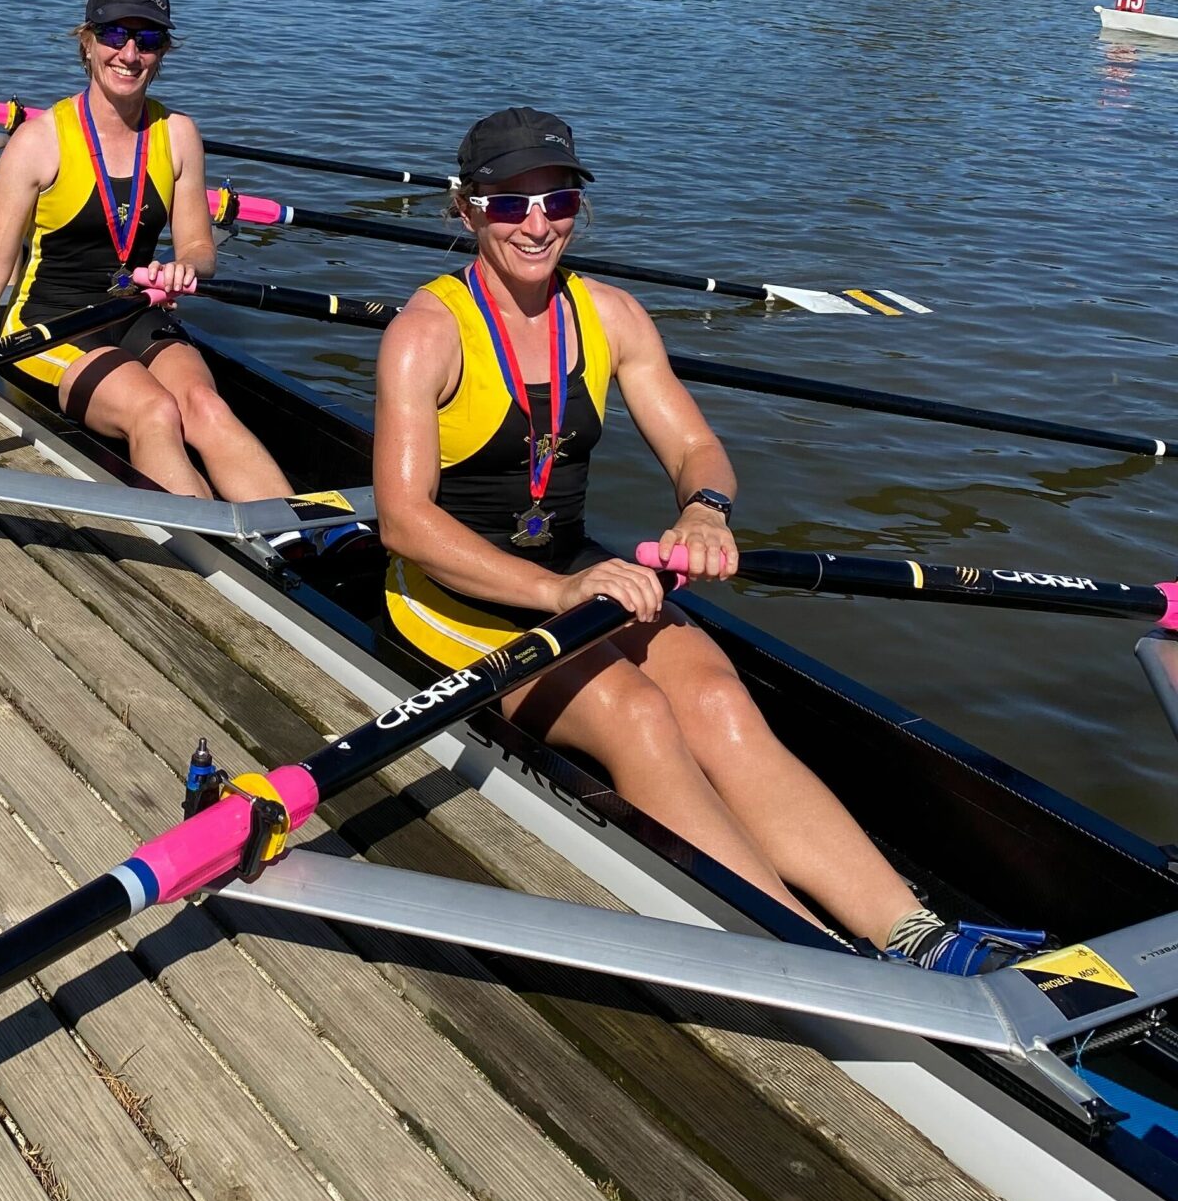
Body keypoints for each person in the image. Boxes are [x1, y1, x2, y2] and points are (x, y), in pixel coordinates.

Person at [374, 104, 1031, 972]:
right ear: (467, 211)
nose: (537, 223)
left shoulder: (609, 315)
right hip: (454, 597)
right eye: (508, 203)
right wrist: (557, 592)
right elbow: (405, 520)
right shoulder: (425, 337)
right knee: (636, 714)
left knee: (718, 696)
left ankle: (918, 936)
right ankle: (808, 949)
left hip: (576, 575)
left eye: (558, 198)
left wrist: (704, 510)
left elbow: (693, 447)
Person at [0, 0, 297, 503]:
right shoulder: (39, 142)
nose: (129, 54)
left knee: (207, 406)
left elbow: (200, 248)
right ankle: (217, 557)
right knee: (156, 411)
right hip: (52, 325)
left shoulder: (178, 135)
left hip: (134, 310)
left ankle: (301, 535)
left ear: (163, 51)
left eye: (147, 40)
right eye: (114, 36)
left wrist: (186, 267)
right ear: (87, 41)